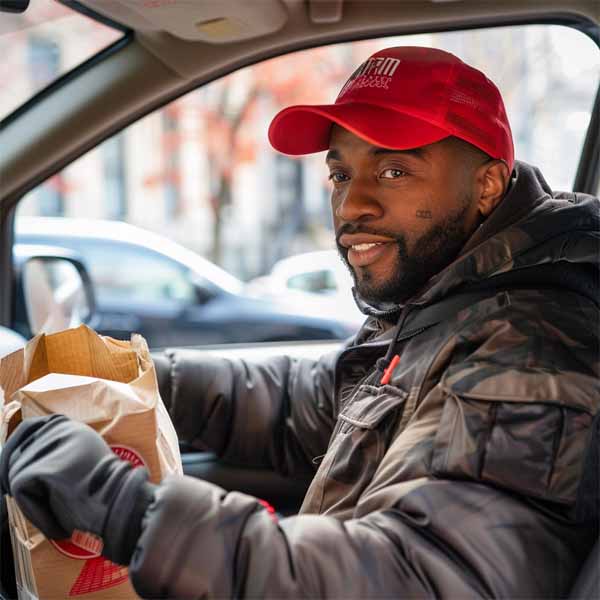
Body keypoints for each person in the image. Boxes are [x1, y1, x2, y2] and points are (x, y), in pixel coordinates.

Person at [2, 46, 599, 599]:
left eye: (394, 172)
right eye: (341, 174)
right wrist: (132, 380)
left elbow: (411, 576)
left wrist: (126, 509)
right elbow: (309, 398)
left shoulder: (530, 350)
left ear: (488, 185)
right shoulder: (451, 307)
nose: (352, 205)